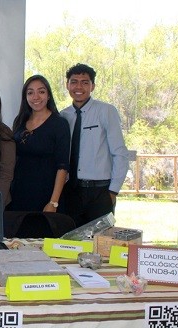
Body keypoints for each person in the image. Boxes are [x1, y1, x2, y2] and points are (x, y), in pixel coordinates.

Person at [60, 63, 129, 228]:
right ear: (67, 85)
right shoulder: (63, 116)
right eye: (74, 81)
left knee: (100, 244)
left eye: (85, 82)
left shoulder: (106, 111)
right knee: (69, 242)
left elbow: (120, 153)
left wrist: (112, 191)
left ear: (93, 86)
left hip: (100, 191)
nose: (79, 87)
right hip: (71, 191)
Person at [9, 75, 70, 212]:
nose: (35, 97)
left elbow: (63, 166)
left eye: (41, 92)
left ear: (48, 95)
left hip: (46, 196)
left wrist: (53, 202)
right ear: (25, 97)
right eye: (30, 93)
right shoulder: (19, 121)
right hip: (19, 194)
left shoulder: (59, 124)